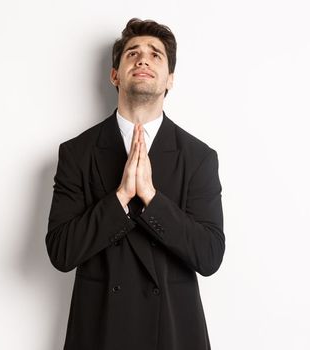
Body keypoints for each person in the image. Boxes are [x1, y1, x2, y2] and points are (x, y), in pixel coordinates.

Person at [46, 18, 225, 350]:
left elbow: (210, 255)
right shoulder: (77, 153)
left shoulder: (199, 157)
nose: (143, 59)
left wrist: (152, 200)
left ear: (170, 79)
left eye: (156, 54)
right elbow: (61, 252)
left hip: (172, 333)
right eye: (133, 53)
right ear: (115, 75)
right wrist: (121, 198)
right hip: (100, 331)